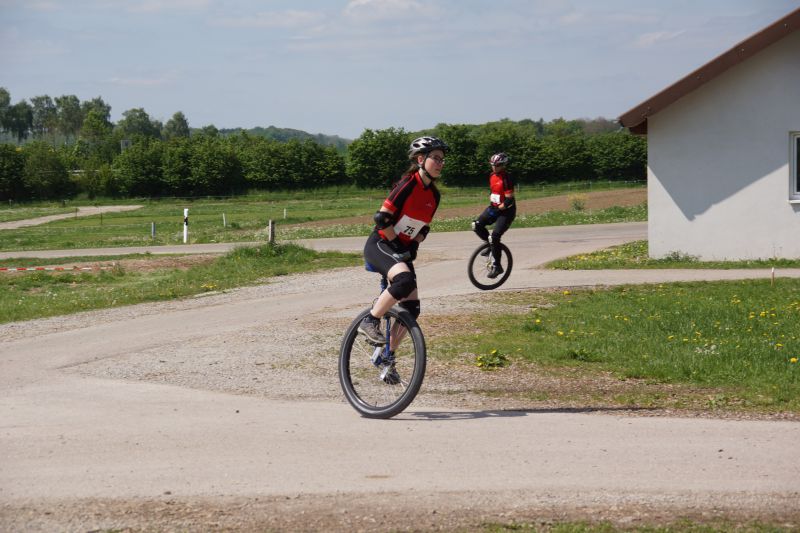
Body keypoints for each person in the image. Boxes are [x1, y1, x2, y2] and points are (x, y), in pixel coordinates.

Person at [358, 136, 447, 376]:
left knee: (412, 308)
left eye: (442, 159)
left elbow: (423, 227)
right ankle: (370, 320)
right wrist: (397, 245)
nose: (440, 163)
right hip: (381, 244)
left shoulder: (434, 195)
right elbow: (382, 218)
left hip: (401, 251)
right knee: (404, 281)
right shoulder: (408, 183)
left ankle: (386, 356)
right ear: (420, 160)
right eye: (435, 158)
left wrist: (414, 245)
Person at [471, 152, 516, 278]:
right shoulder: (492, 175)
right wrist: (493, 203)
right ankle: (491, 246)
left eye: (497, 165)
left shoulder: (507, 179)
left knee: (494, 237)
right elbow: (493, 191)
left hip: (506, 212)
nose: (494, 167)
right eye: (492, 165)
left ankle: (497, 266)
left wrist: (500, 208)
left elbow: (509, 200)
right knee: (476, 225)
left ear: (503, 165)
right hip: (494, 208)